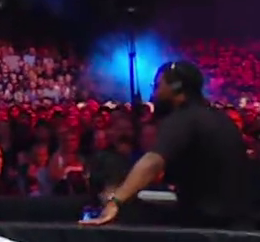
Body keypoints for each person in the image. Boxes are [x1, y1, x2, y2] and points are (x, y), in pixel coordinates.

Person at [84, 60, 250, 229]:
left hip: (205, 223)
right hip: (232, 220)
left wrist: (115, 201)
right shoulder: (219, 118)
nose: (154, 93)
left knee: (125, 215)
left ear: (176, 87)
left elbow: (153, 161)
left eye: (157, 86)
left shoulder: (184, 118)